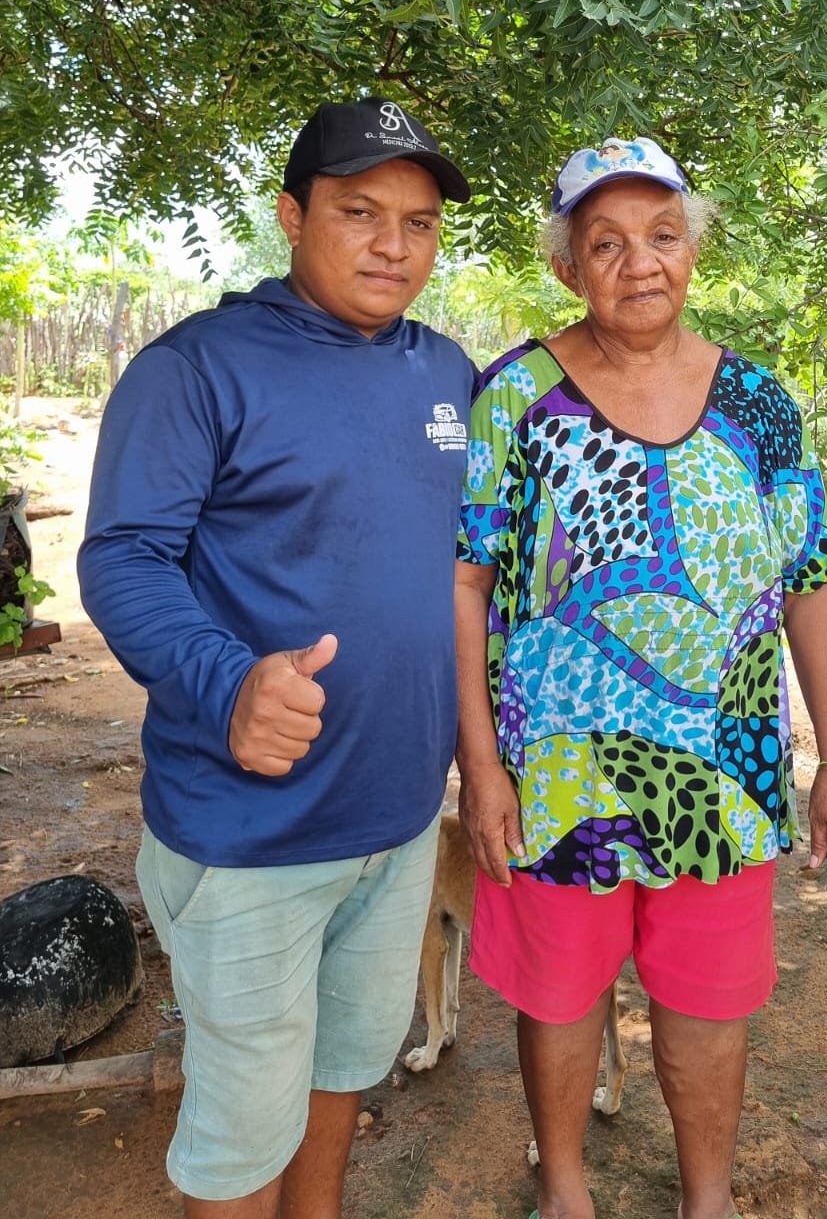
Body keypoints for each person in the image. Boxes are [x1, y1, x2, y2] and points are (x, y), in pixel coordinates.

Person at [455, 135, 827, 1219]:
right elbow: (467, 586)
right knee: (559, 996)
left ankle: (708, 1198)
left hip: (726, 775)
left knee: (709, 1003)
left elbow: (811, 582)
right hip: (556, 776)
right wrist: (480, 765)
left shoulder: (760, 403)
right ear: (568, 268)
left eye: (663, 235)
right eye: (607, 243)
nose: (640, 262)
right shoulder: (515, 398)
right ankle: (567, 1190)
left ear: (694, 250)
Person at [78, 99, 473, 1219]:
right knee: (243, 1133)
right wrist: (229, 682)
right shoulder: (197, 369)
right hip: (249, 835)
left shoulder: (447, 372)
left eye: (418, 222)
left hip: (397, 821)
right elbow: (123, 557)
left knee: (342, 1076)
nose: (393, 245)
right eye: (359, 212)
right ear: (294, 217)